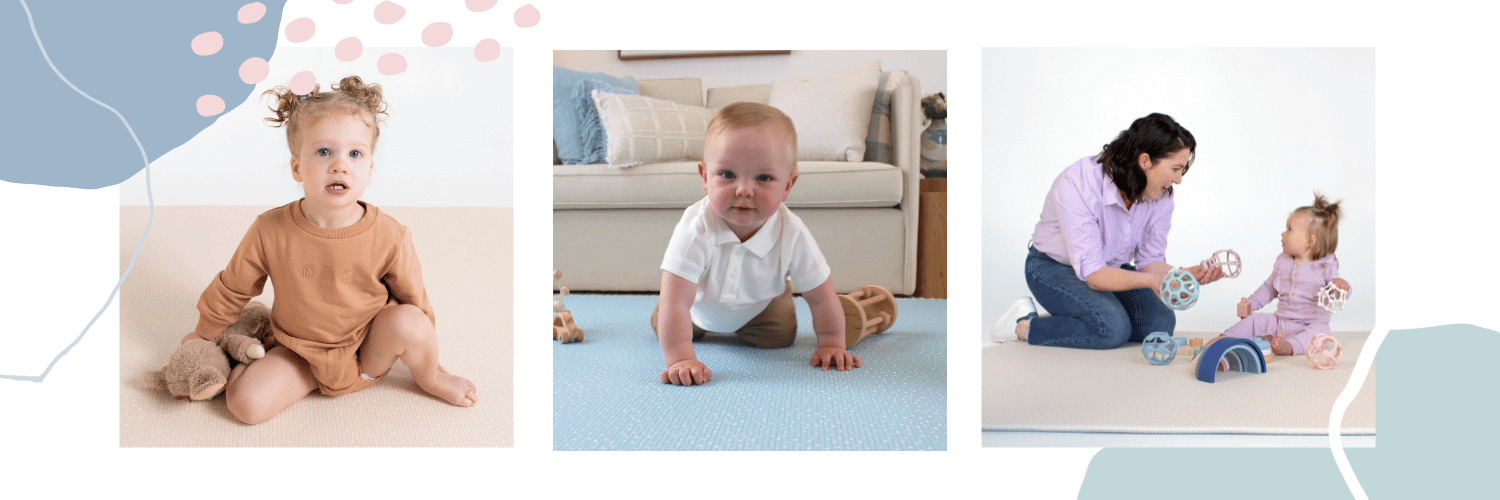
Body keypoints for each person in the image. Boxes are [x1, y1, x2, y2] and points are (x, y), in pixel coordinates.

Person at [187, 76, 477, 424]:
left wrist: (431, 365)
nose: (340, 165)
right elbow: (233, 287)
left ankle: (430, 379)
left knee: (409, 321)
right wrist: (202, 334)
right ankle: (242, 359)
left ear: (369, 169)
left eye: (355, 154)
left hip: (368, 353)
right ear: (297, 167)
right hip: (297, 352)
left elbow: (417, 304)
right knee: (246, 407)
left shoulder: (389, 234)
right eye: (324, 152)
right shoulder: (270, 229)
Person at [650, 102, 859, 386]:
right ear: (704, 177)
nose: (744, 190)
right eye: (727, 175)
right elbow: (676, 302)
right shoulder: (695, 228)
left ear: (788, 185)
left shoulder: (791, 231)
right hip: (696, 310)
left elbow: (821, 297)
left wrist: (832, 342)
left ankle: (777, 292)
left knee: (782, 335)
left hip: (759, 309)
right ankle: (671, 328)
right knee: (666, 319)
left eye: (763, 178)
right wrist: (680, 358)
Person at [992, 113, 1225, 348]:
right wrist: (1153, 281)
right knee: (1111, 328)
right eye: (1175, 168)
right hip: (1051, 267)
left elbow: (1149, 260)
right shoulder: (1077, 184)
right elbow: (1094, 274)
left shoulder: (1160, 196)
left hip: (1107, 267)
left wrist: (1182, 274)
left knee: (1159, 324)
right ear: (1145, 161)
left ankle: (1085, 315)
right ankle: (1021, 325)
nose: (1178, 179)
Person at [1219, 194, 1349, 355]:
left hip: (1309, 325)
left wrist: (1342, 286)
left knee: (1321, 333)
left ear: (1309, 241)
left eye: (1289, 230)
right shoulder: (1283, 262)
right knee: (1253, 320)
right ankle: (1224, 338)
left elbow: (1337, 294)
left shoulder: (1325, 266)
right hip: (1280, 321)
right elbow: (1269, 288)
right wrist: (1251, 303)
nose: (1283, 234)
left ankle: (1289, 347)